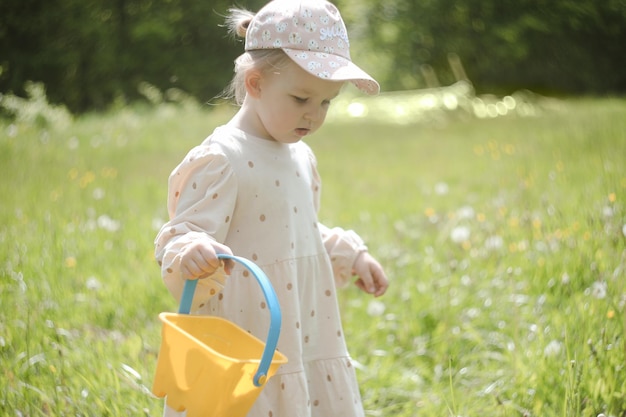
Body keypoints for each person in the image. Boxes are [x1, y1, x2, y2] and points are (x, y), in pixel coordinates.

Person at [154, 0, 389, 415]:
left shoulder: (301, 156)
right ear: (255, 83)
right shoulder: (223, 158)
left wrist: (351, 253)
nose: (314, 116)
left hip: (303, 330)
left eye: (326, 102)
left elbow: (300, 233)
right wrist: (190, 248)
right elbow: (183, 231)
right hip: (247, 335)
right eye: (301, 98)